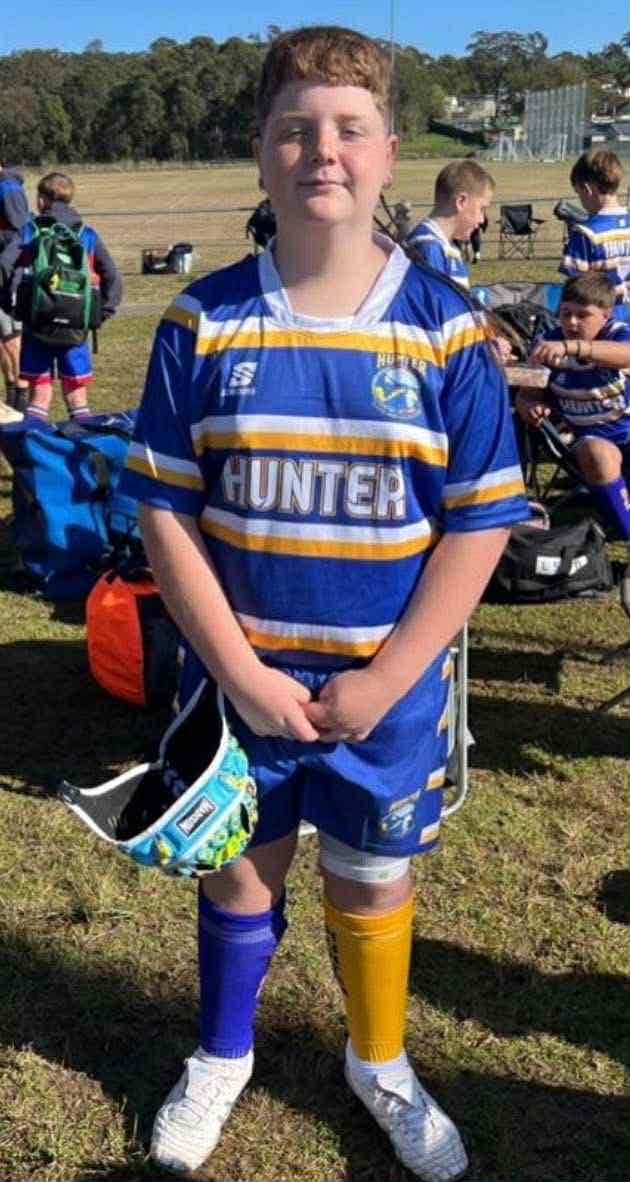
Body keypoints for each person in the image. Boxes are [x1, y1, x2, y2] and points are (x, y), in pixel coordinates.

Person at [121, 25, 528, 1181]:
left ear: (390, 151)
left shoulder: (447, 330)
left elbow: (481, 523)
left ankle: (378, 1058)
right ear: (261, 152)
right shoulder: (201, 322)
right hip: (238, 682)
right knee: (240, 869)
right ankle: (222, 1053)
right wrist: (242, 675)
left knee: (370, 874)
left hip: (383, 691)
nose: (323, 151)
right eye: (295, 129)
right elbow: (165, 515)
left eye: (350, 128)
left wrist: (390, 678)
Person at [515, 273, 630, 543]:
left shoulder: (617, 335)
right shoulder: (547, 344)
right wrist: (530, 406)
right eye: (565, 313)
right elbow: (525, 395)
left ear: (606, 316)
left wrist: (574, 347)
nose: (571, 322)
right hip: (587, 440)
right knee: (598, 453)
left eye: (582, 315)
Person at [0, 171, 122, 423]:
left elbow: (3, 265)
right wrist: (102, 312)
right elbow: (112, 276)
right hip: (76, 326)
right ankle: (82, 442)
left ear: (42, 200)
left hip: (37, 323)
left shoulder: (29, 231)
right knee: (77, 396)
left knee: (39, 395)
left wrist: (9, 305)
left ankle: (35, 444)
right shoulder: (87, 234)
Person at [560, 149, 630, 323]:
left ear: (586, 189)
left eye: (578, 193)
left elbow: (575, 290)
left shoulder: (585, 233)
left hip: (601, 325)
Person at [406, 161, 495, 288]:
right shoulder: (429, 249)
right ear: (461, 202)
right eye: (482, 209)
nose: (482, 220)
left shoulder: (448, 247)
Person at [0, 162, 30, 411]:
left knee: (11, 336)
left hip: (7, 275)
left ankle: (22, 393)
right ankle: (10, 389)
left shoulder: (8, 188)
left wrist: (5, 268)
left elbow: (22, 234)